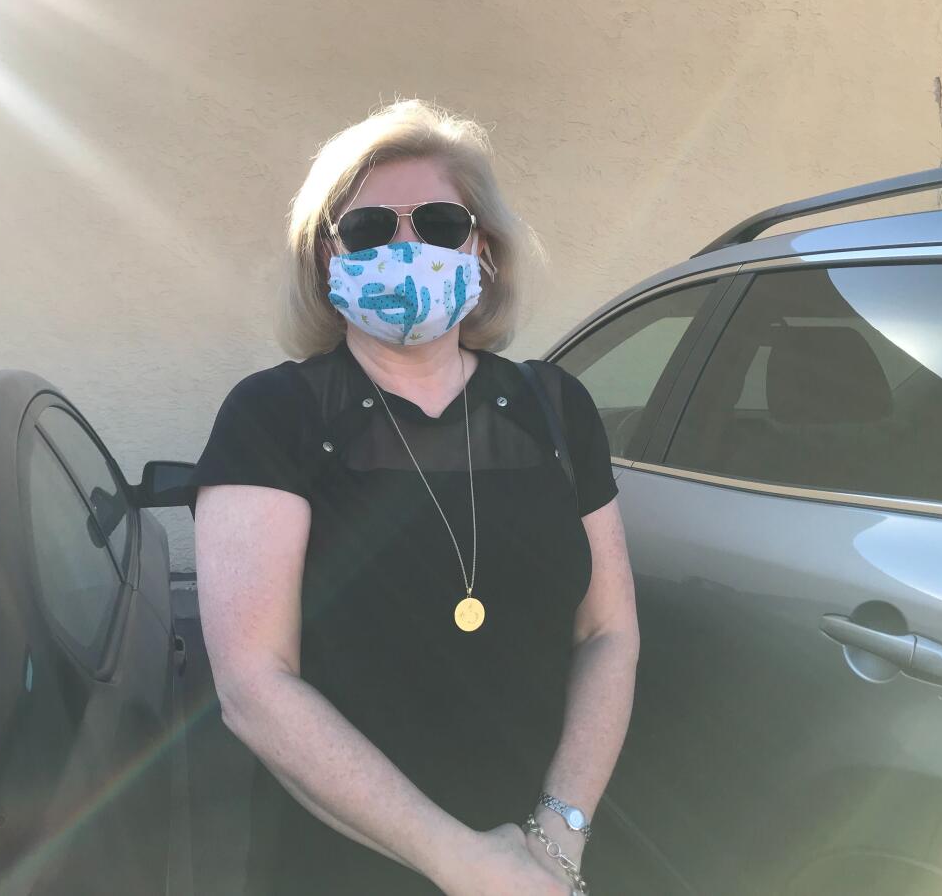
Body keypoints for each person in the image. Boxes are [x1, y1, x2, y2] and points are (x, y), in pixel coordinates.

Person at [191, 99, 639, 895]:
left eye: (437, 222)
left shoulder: (556, 409)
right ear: (326, 258)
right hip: (343, 866)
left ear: (483, 248)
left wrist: (558, 832)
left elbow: (608, 632)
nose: (406, 246)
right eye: (368, 229)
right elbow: (253, 685)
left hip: (539, 862)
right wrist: (461, 861)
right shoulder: (272, 417)